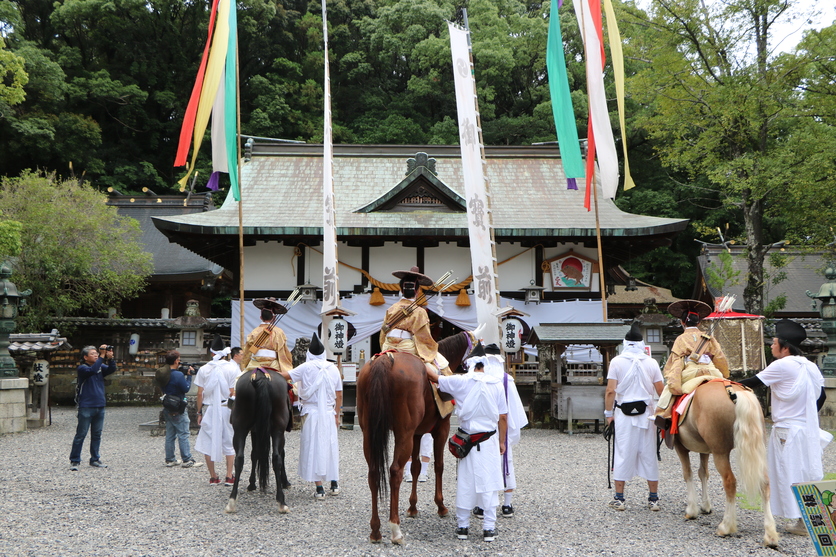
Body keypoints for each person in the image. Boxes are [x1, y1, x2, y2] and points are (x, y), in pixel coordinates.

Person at [738, 319, 830, 536]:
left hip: (786, 430)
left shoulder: (782, 365)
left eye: (774, 342)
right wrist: (804, 414)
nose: (771, 345)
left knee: (788, 473)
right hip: (806, 428)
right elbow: (822, 396)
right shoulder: (811, 365)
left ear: (785, 347)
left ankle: (801, 521)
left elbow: (752, 382)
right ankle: (809, 519)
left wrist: (722, 383)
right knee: (805, 470)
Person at [426, 342, 508, 543]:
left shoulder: (460, 382)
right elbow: (503, 417)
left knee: (465, 482)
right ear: (485, 365)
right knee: (489, 483)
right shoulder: (497, 383)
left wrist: (422, 359)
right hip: (488, 440)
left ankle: (463, 527)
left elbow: (434, 377)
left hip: (467, 442)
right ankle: (489, 528)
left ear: (470, 365)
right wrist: (503, 442)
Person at [604, 324, 664, 511]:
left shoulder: (616, 362)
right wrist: (662, 413)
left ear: (625, 344)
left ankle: (619, 498)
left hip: (623, 413)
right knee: (649, 454)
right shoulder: (652, 362)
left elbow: (610, 391)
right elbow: (661, 391)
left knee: (623, 453)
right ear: (641, 344)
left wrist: (608, 414)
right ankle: (653, 498)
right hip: (647, 413)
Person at [278, 332, 342, 500]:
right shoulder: (333, 368)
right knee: (329, 445)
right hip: (329, 413)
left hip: (312, 413)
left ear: (309, 354)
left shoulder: (306, 367)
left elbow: (285, 376)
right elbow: (339, 394)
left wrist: (266, 371)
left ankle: (319, 488)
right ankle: (334, 484)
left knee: (314, 447)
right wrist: (337, 414)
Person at [472, 343, 528, 519]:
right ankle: (507, 504)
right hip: (503, 428)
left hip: (482, 429)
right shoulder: (506, 380)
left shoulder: (478, 379)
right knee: (506, 463)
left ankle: (482, 506)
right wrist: (509, 434)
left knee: (482, 464)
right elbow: (513, 409)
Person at [654, 299, 729, 424]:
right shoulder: (709, 337)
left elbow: (676, 364)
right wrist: (724, 374)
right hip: (711, 372)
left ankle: (664, 414)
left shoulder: (681, 339)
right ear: (699, 323)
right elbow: (720, 358)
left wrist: (673, 384)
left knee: (670, 390)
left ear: (682, 322)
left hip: (691, 373)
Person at [380, 266, 450, 376]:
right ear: (417, 291)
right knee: (442, 366)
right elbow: (424, 337)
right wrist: (431, 346)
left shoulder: (391, 308)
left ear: (401, 290)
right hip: (407, 347)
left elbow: (382, 334)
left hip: (388, 346)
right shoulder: (419, 311)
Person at [195, 335, 240, 486]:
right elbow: (233, 392)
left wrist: (199, 412)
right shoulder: (232, 368)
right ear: (225, 353)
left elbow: (200, 393)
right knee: (229, 441)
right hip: (226, 408)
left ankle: (213, 476)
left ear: (212, 352)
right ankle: (229, 475)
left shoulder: (204, 369)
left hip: (211, 409)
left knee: (208, 441)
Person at [69, 345, 117, 470]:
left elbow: (112, 369)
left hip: (100, 404)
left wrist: (110, 358)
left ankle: (95, 459)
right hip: (86, 405)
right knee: (81, 434)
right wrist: (102, 357)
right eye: (93, 353)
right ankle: (75, 460)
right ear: (85, 357)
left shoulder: (100, 366)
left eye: (97, 353)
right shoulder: (82, 368)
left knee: (97, 434)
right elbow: (92, 370)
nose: (96, 355)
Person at [161, 350, 202, 468]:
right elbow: (186, 388)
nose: (179, 361)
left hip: (168, 404)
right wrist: (189, 377)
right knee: (183, 433)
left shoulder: (164, 373)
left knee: (170, 434)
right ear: (175, 361)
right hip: (178, 406)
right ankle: (187, 459)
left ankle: (170, 459)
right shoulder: (178, 375)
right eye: (178, 359)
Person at [241, 297, 293, 374]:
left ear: (261, 317)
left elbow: (247, 351)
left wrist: (245, 363)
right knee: (291, 383)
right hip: (273, 363)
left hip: (255, 362)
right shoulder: (279, 332)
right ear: (274, 318)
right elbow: (283, 352)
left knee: (238, 380)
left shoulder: (254, 332)